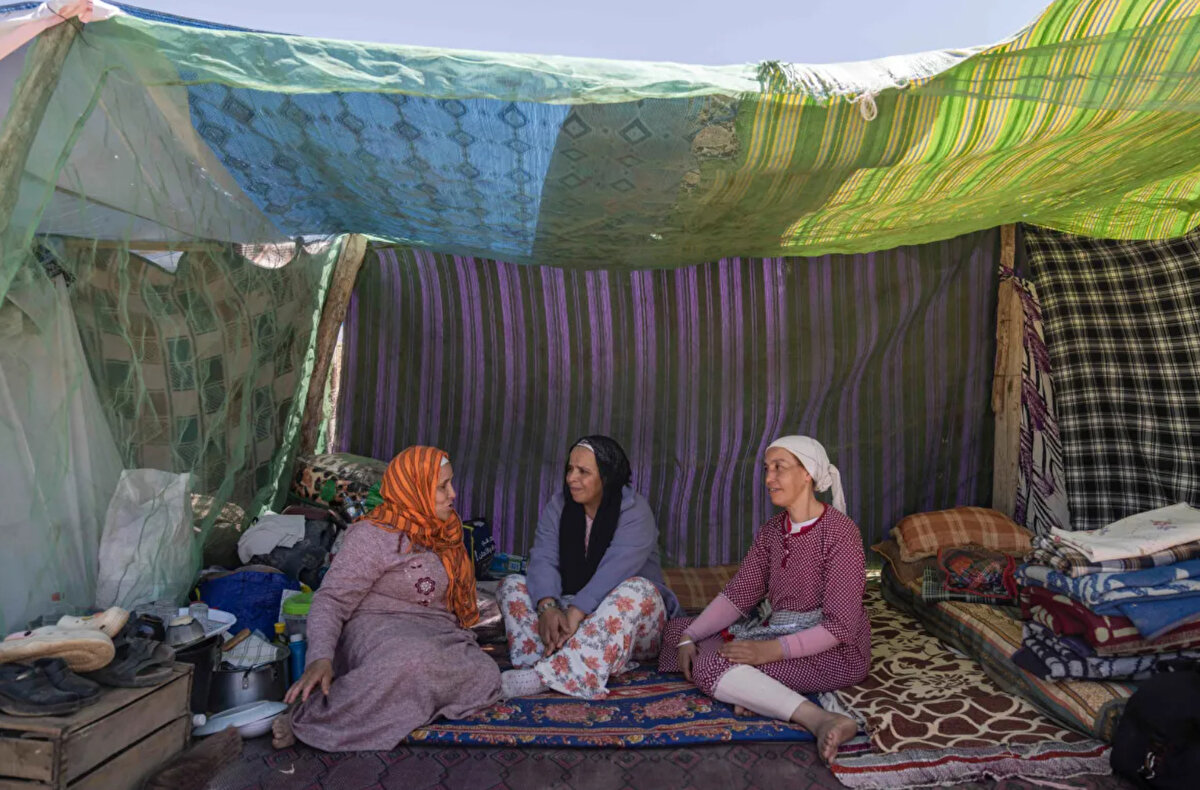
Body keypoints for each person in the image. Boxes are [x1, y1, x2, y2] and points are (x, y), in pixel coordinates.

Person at [272, 446, 500, 751]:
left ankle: (404, 703)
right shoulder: (372, 535)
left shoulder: (446, 529)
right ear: (414, 489)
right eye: (442, 486)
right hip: (377, 627)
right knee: (409, 662)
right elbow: (331, 600)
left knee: (485, 673)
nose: (453, 494)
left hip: (436, 629)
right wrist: (321, 656)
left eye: (450, 483)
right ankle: (312, 719)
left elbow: (453, 602)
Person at [659, 435, 869, 764]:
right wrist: (690, 636)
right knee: (676, 634)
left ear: (807, 474)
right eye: (767, 469)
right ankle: (753, 691)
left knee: (711, 665)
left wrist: (766, 651)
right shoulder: (772, 531)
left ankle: (820, 719)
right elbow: (740, 594)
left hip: (835, 650)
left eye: (779, 468)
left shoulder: (840, 533)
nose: (769, 478)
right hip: (777, 630)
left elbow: (841, 626)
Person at [496, 435, 681, 699]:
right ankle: (540, 660)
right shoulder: (559, 505)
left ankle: (545, 675)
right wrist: (548, 606)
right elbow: (543, 557)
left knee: (638, 590)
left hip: (627, 624)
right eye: (570, 469)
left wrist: (575, 612)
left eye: (583, 472)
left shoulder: (635, 512)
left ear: (606, 476)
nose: (572, 478)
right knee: (512, 584)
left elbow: (614, 571)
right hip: (568, 612)